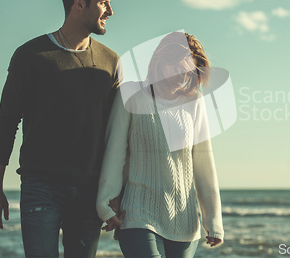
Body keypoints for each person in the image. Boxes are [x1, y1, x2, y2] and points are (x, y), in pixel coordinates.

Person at [0, 0, 120, 258]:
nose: (110, 10)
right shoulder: (30, 55)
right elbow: (6, 122)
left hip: (90, 191)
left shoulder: (111, 63)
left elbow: (117, 134)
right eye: (103, 3)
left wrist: (116, 192)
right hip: (41, 187)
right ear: (79, 4)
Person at [96, 31, 224, 258]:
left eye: (188, 71)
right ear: (160, 60)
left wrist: (213, 221)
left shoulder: (194, 101)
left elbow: (204, 164)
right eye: (177, 68)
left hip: (183, 220)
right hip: (138, 212)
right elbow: (115, 152)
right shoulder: (131, 94)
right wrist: (105, 201)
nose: (182, 76)